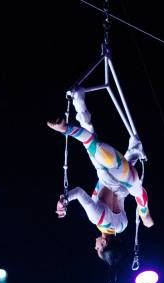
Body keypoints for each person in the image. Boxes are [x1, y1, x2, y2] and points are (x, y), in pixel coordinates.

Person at [47, 88, 154, 266]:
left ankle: (79, 101)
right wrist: (64, 200)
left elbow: (117, 195)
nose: (94, 246)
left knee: (92, 140)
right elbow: (80, 193)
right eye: (98, 249)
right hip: (109, 173)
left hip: (122, 179)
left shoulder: (122, 225)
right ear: (104, 244)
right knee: (90, 142)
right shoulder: (98, 219)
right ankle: (66, 128)